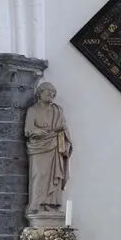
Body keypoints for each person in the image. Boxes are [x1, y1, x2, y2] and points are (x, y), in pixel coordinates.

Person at [25, 82, 74, 213]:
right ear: (40, 93)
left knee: (54, 176)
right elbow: (28, 130)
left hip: (56, 146)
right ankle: (35, 204)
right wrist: (38, 131)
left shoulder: (58, 110)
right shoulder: (33, 110)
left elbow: (64, 128)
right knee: (39, 174)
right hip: (39, 147)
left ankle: (50, 204)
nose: (51, 94)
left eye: (53, 92)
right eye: (48, 91)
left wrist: (66, 142)